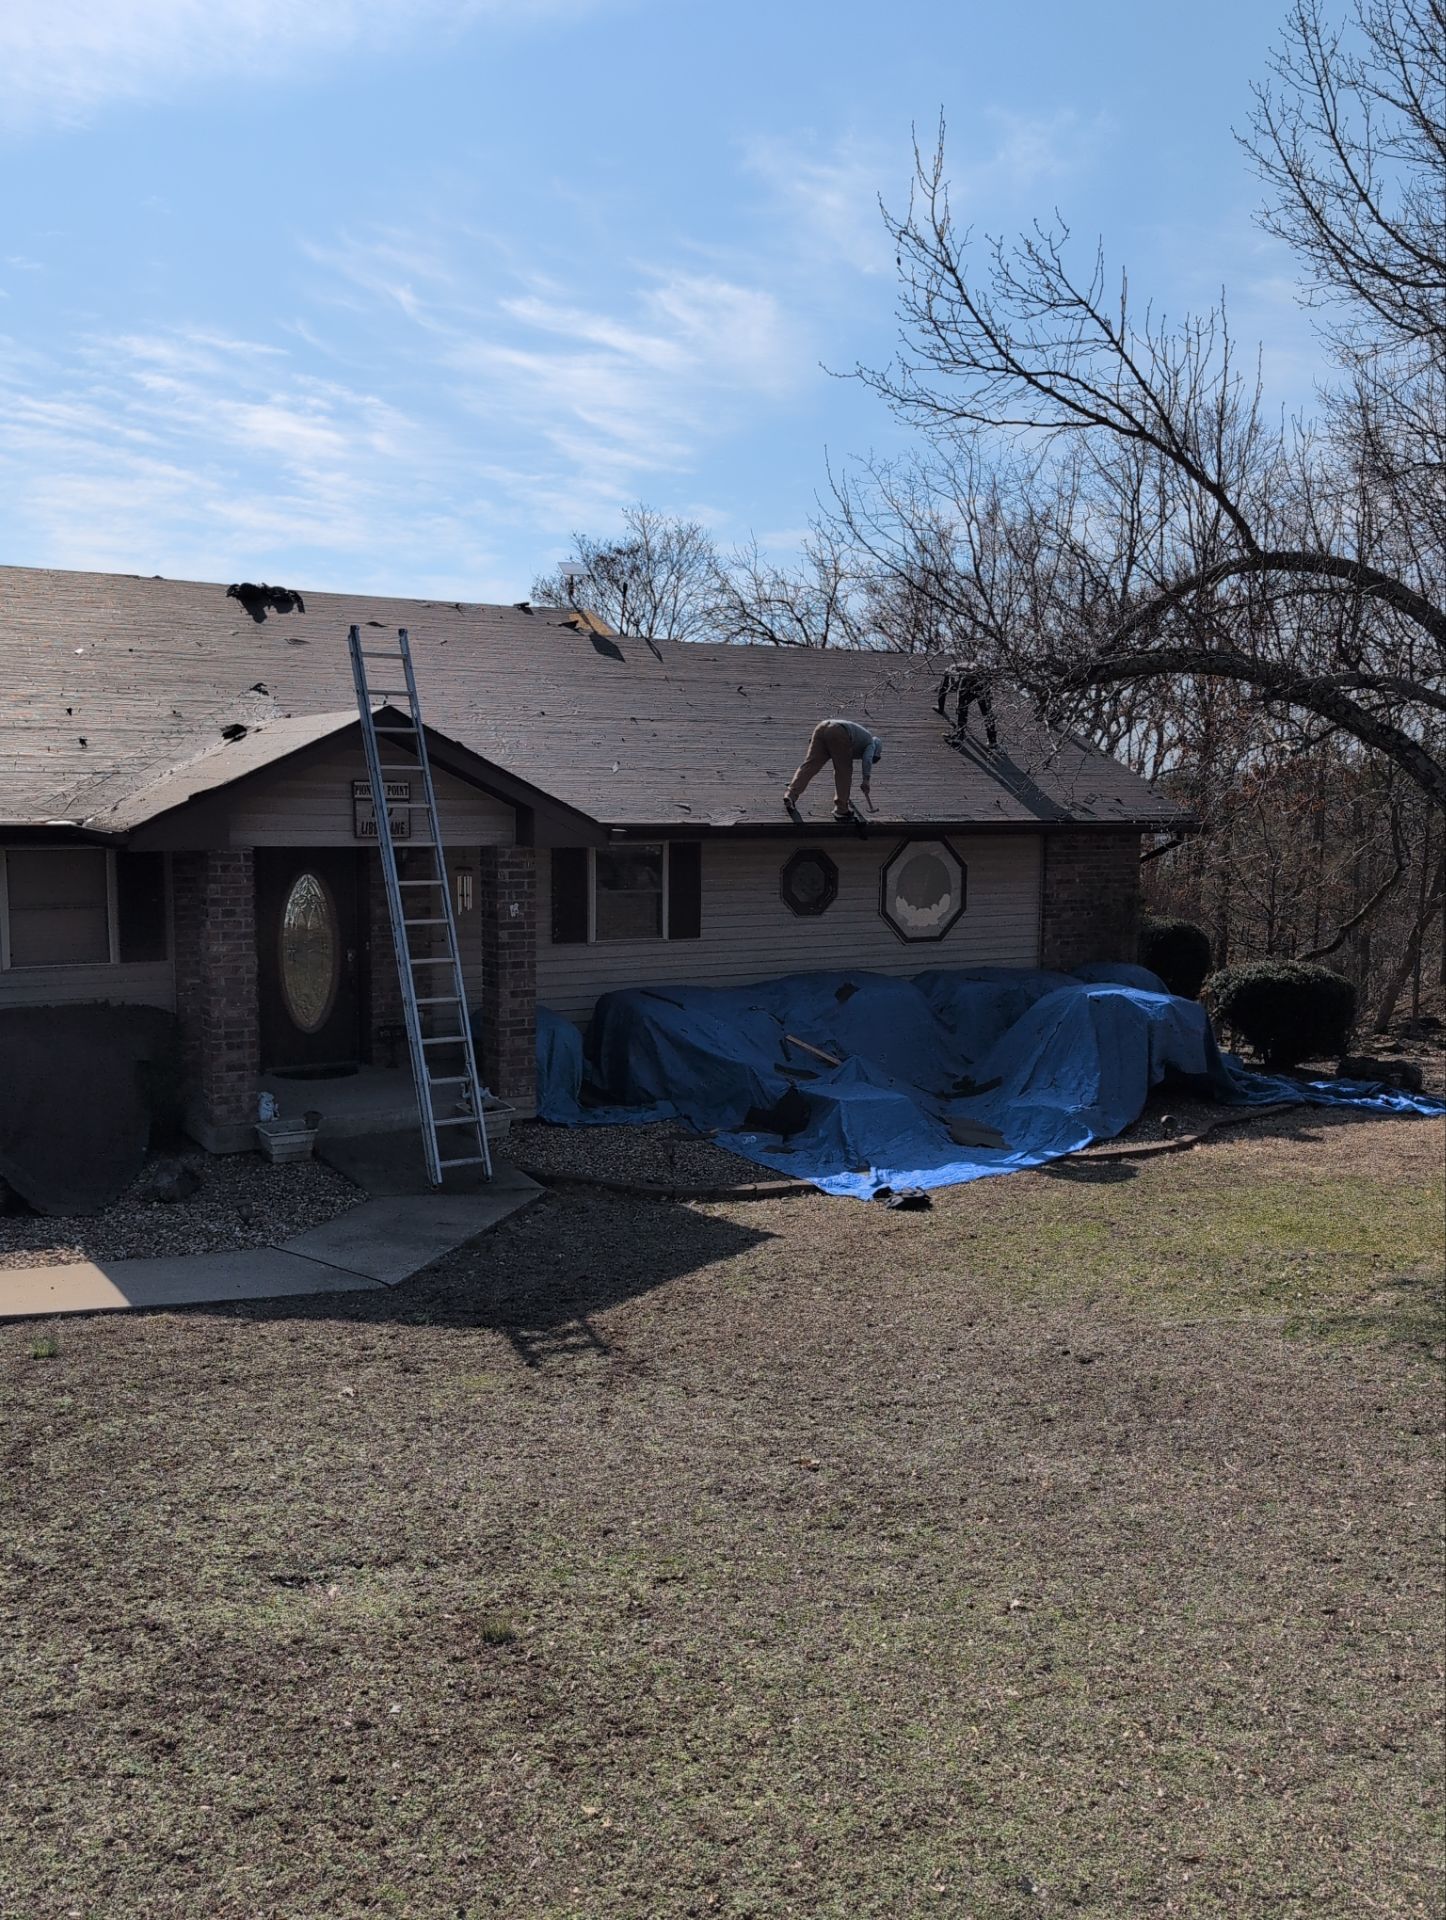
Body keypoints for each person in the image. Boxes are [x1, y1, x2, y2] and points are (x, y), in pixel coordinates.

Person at [784, 718, 883, 820]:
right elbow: (867, 759)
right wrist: (866, 780)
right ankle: (841, 809)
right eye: (874, 758)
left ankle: (791, 794)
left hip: (822, 727)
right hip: (839, 732)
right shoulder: (871, 743)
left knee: (811, 765)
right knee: (844, 771)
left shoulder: (860, 738)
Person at [935, 661, 998, 748]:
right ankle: (992, 741)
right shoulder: (962, 667)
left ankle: (959, 736)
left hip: (969, 679)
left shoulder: (948, 672)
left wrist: (940, 708)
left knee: (962, 708)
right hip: (983, 678)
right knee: (987, 712)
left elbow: (942, 692)